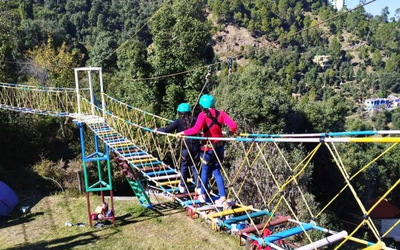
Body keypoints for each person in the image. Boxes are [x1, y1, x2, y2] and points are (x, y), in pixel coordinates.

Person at [176, 94, 237, 205]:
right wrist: (230, 133)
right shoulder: (221, 113)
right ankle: (222, 197)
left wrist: (183, 133)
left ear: (201, 106)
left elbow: (196, 130)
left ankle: (202, 195)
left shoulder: (203, 115)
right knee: (217, 171)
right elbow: (233, 126)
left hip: (207, 149)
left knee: (204, 170)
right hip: (219, 148)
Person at [155, 103, 200, 194]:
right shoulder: (195, 120)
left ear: (180, 113)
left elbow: (166, 130)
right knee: (194, 166)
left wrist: (157, 129)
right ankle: (198, 187)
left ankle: (182, 185)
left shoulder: (178, 121)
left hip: (186, 147)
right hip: (196, 146)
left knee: (184, 166)